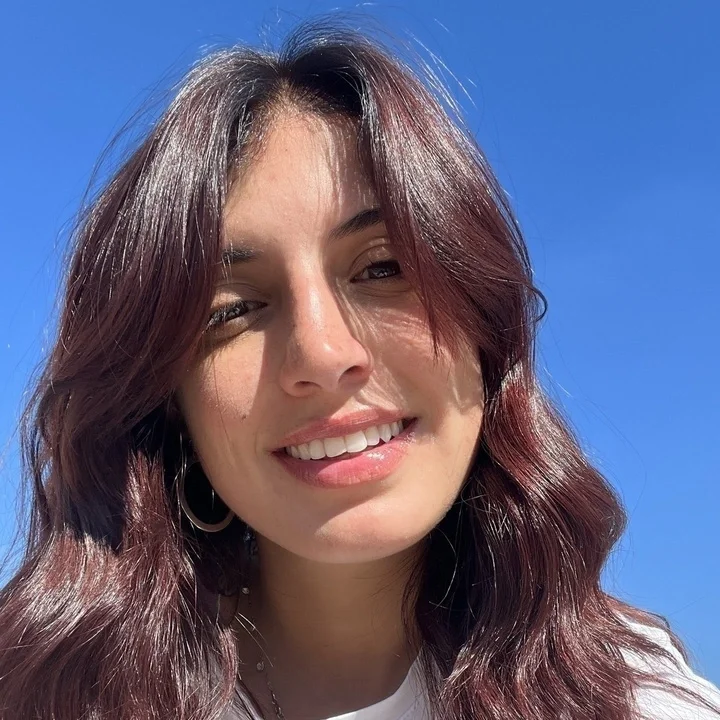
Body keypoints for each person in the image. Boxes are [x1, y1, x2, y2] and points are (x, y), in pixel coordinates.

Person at [0, 18, 718, 720]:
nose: (323, 354)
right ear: (167, 403)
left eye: (382, 268)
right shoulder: (46, 692)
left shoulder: (636, 700)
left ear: (485, 329)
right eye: (231, 310)